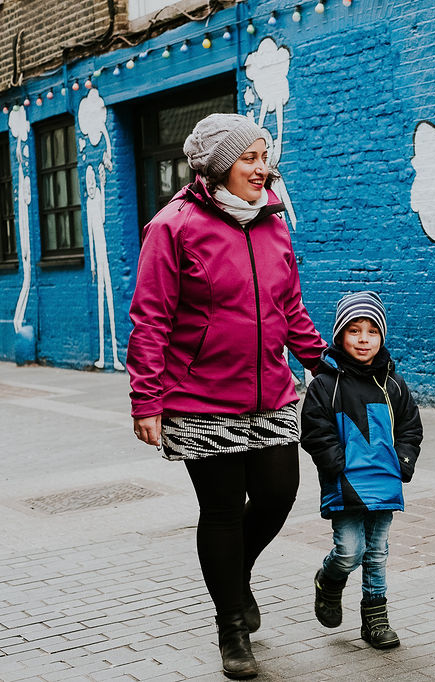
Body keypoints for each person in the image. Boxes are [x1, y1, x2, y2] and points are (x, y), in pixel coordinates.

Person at [128, 113, 327, 679]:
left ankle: (234, 580)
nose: (263, 168)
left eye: (265, 157)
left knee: (277, 494)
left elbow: (289, 308)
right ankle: (231, 625)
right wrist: (147, 399)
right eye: (250, 159)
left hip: (271, 392)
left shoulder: (271, 223)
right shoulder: (174, 226)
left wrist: (325, 366)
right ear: (220, 166)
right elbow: (150, 319)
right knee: (220, 510)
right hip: (198, 396)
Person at [300, 291, 422, 650]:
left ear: (382, 336)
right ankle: (329, 579)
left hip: (384, 484)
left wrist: (402, 461)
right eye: (354, 331)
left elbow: (410, 427)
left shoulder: (393, 383)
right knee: (350, 550)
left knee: (377, 551)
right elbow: (315, 431)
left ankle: (376, 619)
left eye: (372, 330)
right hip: (347, 484)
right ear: (340, 335)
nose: (364, 339)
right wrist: (335, 465)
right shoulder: (325, 384)